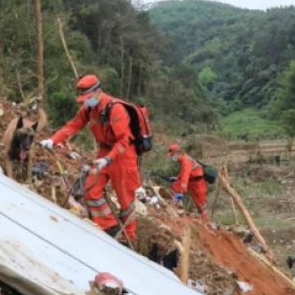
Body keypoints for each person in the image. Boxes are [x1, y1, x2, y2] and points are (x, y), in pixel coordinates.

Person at [40, 75, 142, 243]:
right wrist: (53, 140)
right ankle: (110, 228)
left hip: (123, 156)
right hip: (104, 152)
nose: (85, 102)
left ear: (98, 92)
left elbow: (124, 140)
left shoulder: (115, 109)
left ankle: (129, 239)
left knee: (126, 200)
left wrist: (108, 159)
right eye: (83, 99)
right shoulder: (89, 109)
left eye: (88, 98)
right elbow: (73, 125)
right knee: (90, 189)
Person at [167, 143, 208, 219]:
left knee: (201, 204)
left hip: (197, 183)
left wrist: (181, 191)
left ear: (178, 153)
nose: (172, 157)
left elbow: (185, 175)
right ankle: (175, 207)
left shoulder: (185, 161)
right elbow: (184, 172)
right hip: (192, 181)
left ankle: (204, 221)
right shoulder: (183, 159)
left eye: (172, 155)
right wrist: (177, 178)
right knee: (174, 186)